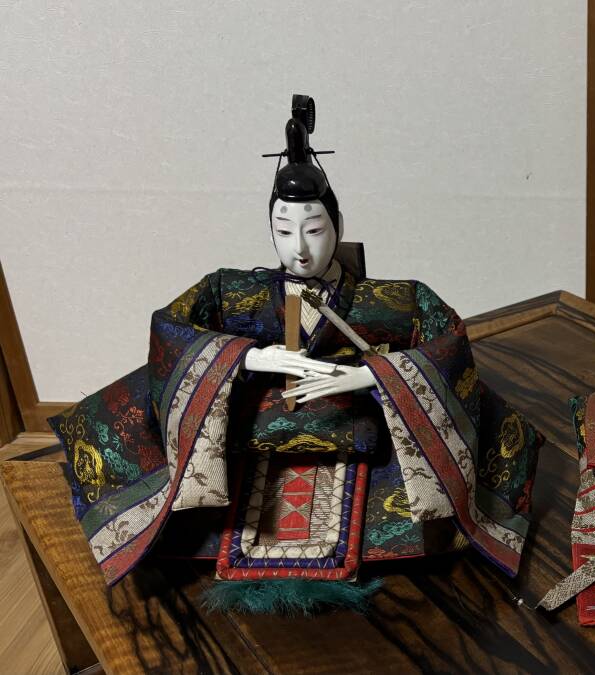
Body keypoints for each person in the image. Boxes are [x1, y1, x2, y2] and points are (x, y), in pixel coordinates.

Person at [51, 96, 541, 613]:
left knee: (472, 452)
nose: (299, 249)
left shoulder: (391, 299)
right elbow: (171, 328)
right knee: (129, 423)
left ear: (338, 225)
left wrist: (373, 377)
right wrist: (246, 358)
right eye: (283, 232)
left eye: (314, 230)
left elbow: (448, 341)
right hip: (252, 432)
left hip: (359, 429)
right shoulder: (234, 292)